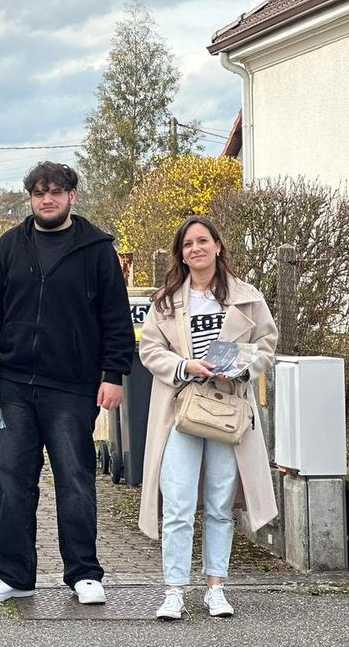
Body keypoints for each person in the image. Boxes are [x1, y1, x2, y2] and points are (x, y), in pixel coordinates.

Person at [0, 162, 135, 606]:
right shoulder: (9, 247)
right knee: (12, 482)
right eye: (39, 192)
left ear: (72, 196)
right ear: (30, 198)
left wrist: (113, 374)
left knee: (75, 479)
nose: (48, 199)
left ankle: (83, 573)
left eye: (56, 191)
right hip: (15, 386)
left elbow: (116, 319)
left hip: (73, 387)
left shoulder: (97, 249)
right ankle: (13, 576)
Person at [138, 215, 278, 620]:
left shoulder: (247, 296)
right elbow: (150, 350)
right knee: (178, 502)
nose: (195, 249)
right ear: (181, 255)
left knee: (220, 503)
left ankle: (216, 586)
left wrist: (240, 365)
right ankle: (174, 589)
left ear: (218, 246)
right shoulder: (166, 300)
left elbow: (266, 343)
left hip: (228, 409)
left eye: (203, 241)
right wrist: (186, 365)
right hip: (181, 408)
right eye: (187, 245)